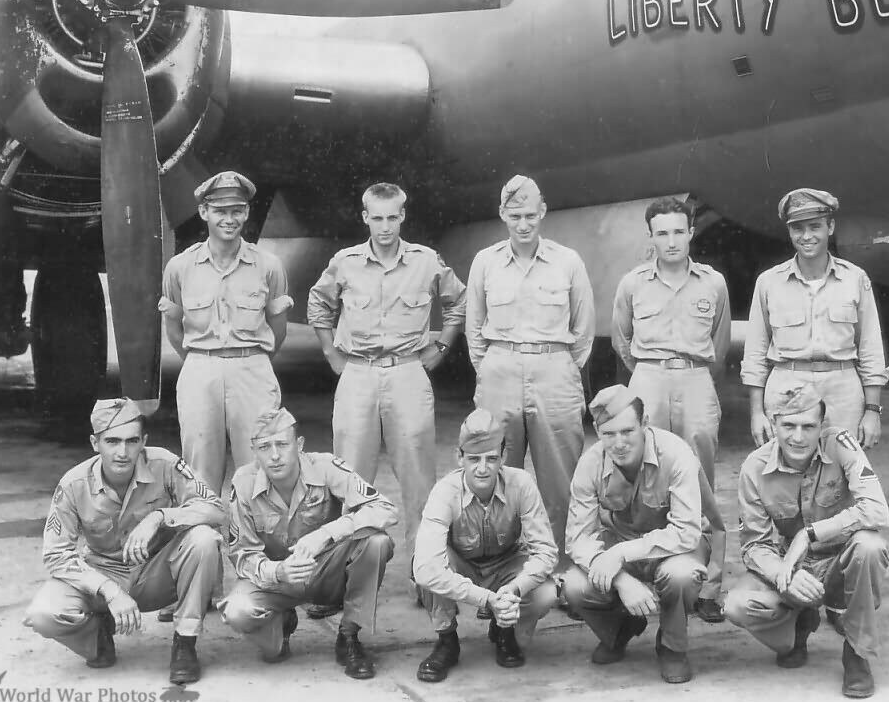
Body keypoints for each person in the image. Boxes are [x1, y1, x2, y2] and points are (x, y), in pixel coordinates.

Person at [307, 182, 466, 605]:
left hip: (408, 374)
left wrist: (443, 346)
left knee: (418, 481)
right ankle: (345, 580)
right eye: (376, 217)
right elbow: (319, 306)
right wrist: (331, 354)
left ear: (402, 216)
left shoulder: (425, 261)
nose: (384, 226)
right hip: (357, 373)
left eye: (392, 216)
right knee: (349, 479)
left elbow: (458, 303)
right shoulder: (345, 263)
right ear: (365, 218)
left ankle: (425, 575)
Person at [25, 399, 225, 685]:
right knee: (43, 614)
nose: (123, 452)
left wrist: (160, 516)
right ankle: (97, 636)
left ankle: (185, 642)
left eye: (132, 441)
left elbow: (215, 508)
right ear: (95, 443)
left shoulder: (165, 464)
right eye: (112, 441)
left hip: (157, 573)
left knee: (204, 539)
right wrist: (108, 590)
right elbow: (56, 555)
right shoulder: (73, 484)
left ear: (143, 441)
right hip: (104, 575)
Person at [724, 382, 889, 698]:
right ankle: (796, 628)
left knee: (870, 545)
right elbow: (754, 545)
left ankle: (857, 652)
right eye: (788, 425)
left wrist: (810, 533)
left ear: (821, 426)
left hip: (842, 561)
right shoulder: (754, 468)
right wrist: (783, 574)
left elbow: (877, 510)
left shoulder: (841, 444)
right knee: (737, 605)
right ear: (774, 424)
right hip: (793, 565)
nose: (797, 437)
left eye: (808, 427)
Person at [611, 195, 731, 623]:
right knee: (644, 472)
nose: (672, 240)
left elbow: (719, 342)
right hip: (647, 377)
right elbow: (621, 340)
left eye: (679, 231)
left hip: (695, 377)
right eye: (662, 233)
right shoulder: (632, 284)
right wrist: (648, 373)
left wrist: (691, 372)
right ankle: (649, 573)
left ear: (691, 233)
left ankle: (708, 585)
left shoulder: (712, 283)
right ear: (651, 237)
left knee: (700, 480)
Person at [465, 174, 595, 556]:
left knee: (560, 480)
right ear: (503, 214)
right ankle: (503, 564)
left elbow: (583, 329)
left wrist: (558, 367)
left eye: (531, 216)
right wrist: (492, 367)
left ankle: (562, 565)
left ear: (543, 213)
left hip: (553, 369)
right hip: (499, 370)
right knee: (494, 471)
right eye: (515, 215)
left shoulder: (568, 261)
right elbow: (475, 328)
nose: (523, 225)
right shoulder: (485, 262)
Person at [219, 407, 397, 679]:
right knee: (238, 611)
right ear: (254, 450)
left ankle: (349, 636)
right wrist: (277, 572)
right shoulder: (243, 483)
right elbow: (241, 554)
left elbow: (385, 508)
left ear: (299, 445)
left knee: (377, 542)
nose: (275, 455)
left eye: (282, 444)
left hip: (327, 571)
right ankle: (280, 624)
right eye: (265, 447)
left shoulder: (325, 467)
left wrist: (326, 532)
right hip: (278, 579)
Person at [563, 385, 718, 684]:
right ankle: (620, 628)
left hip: (677, 549)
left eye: (627, 431)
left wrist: (620, 554)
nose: (619, 443)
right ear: (597, 431)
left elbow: (686, 531)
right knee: (573, 584)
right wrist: (620, 580)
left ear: (645, 423)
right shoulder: (591, 464)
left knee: (682, 575)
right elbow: (577, 539)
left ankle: (672, 646)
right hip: (622, 547)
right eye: (608, 434)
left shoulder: (676, 454)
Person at [159, 170, 293, 496]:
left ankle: (254, 546)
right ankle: (206, 542)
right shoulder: (180, 267)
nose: (229, 219)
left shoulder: (268, 265)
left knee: (260, 466)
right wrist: (203, 361)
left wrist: (250, 359)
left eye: (237, 211)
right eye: (220, 211)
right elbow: (174, 329)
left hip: (253, 369)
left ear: (247, 213)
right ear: (204, 212)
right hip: (200, 369)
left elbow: (278, 329)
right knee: (199, 469)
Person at [413, 408, 559, 683]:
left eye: (492, 459)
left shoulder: (521, 484)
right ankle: (446, 640)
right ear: (459, 457)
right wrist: (489, 600)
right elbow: (425, 569)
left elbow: (546, 552)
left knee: (547, 591)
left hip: (506, 565)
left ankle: (505, 630)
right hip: (463, 564)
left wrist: (515, 589)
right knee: (429, 567)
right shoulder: (445, 491)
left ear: (503, 457)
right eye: (474, 459)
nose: (482, 468)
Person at [741, 188, 889, 451]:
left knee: (841, 476)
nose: (806, 236)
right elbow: (755, 352)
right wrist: (756, 413)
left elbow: (870, 348)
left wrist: (872, 411)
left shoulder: (855, 279)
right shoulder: (769, 282)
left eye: (815, 226)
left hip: (842, 391)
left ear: (830, 227)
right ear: (789, 231)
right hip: (787, 387)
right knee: (787, 478)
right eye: (797, 228)